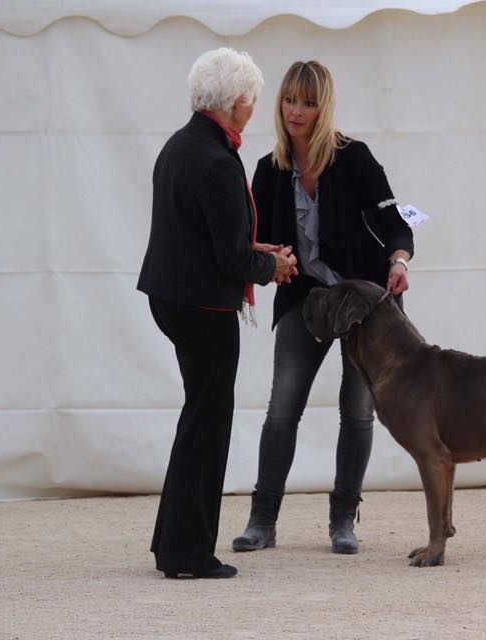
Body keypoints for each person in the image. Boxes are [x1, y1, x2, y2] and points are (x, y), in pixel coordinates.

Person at [232, 60, 414, 555]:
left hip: (366, 303)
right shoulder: (269, 170)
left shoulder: (354, 158)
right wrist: (272, 259)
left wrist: (398, 260)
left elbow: (397, 223)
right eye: (291, 99)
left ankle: (342, 520)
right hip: (305, 299)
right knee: (282, 408)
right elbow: (254, 243)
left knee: (357, 411)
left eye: (309, 102)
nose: (297, 111)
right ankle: (262, 520)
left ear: (324, 106)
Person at [137, 48, 297, 579]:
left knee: (197, 417)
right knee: (208, 423)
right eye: (251, 100)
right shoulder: (217, 160)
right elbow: (231, 256)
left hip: (172, 296)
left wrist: (260, 255)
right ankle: (188, 553)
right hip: (202, 306)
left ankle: (171, 541)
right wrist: (269, 267)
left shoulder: (181, 145)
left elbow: (210, 238)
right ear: (234, 103)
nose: (254, 109)